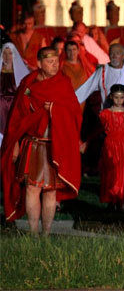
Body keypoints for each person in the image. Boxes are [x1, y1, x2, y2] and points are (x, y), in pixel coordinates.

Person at [1, 47, 81, 235]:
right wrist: (15, 144)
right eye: (49, 62)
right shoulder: (28, 84)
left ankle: (45, 234)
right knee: (31, 189)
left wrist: (54, 108)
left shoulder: (63, 83)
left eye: (56, 61)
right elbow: (17, 117)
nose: (55, 65)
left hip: (55, 145)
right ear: (39, 64)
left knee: (50, 190)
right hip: (33, 144)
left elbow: (74, 111)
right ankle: (33, 233)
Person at [75, 43, 124, 137]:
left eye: (117, 53)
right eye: (111, 53)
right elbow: (85, 89)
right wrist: (67, 102)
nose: (113, 56)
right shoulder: (102, 71)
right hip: (109, 122)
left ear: (123, 55)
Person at [1, 43, 29, 145]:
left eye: (10, 53)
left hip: (15, 107)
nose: (7, 57)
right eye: (5, 53)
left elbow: (27, 90)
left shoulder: (21, 72)